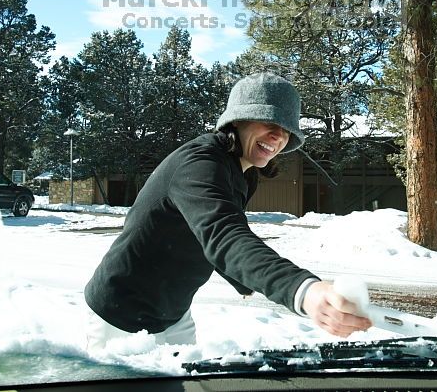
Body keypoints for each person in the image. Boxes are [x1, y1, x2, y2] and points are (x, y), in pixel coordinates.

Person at [84, 72, 372, 349]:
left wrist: (240, 279)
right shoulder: (200, 164)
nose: (277, 136)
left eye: (286, 129)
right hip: (120, 314)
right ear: (237, 120)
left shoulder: (244, 174)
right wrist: (303, 290)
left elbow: (207, 234)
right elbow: (224, 235)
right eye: (267, 121)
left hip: (173, 313)